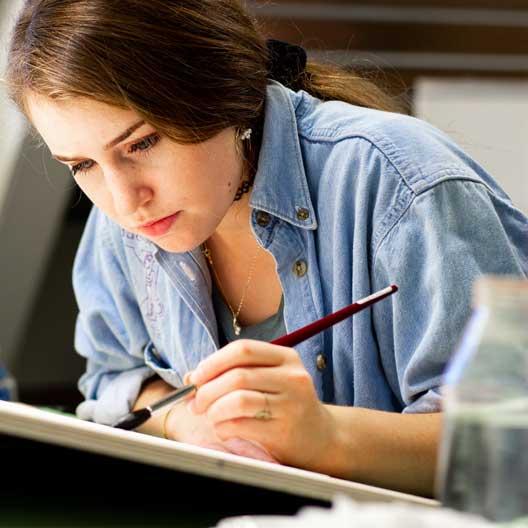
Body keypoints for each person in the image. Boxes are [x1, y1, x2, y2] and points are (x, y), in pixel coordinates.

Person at [5, 0, 527, 497]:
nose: (124, 201)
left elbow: (510, 448)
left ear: (220, 92)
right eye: (82, 165)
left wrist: (325, 436)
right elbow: (114, 376)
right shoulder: (121, 224)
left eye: (142, 143)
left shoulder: (406, 186)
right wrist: (184, 420)